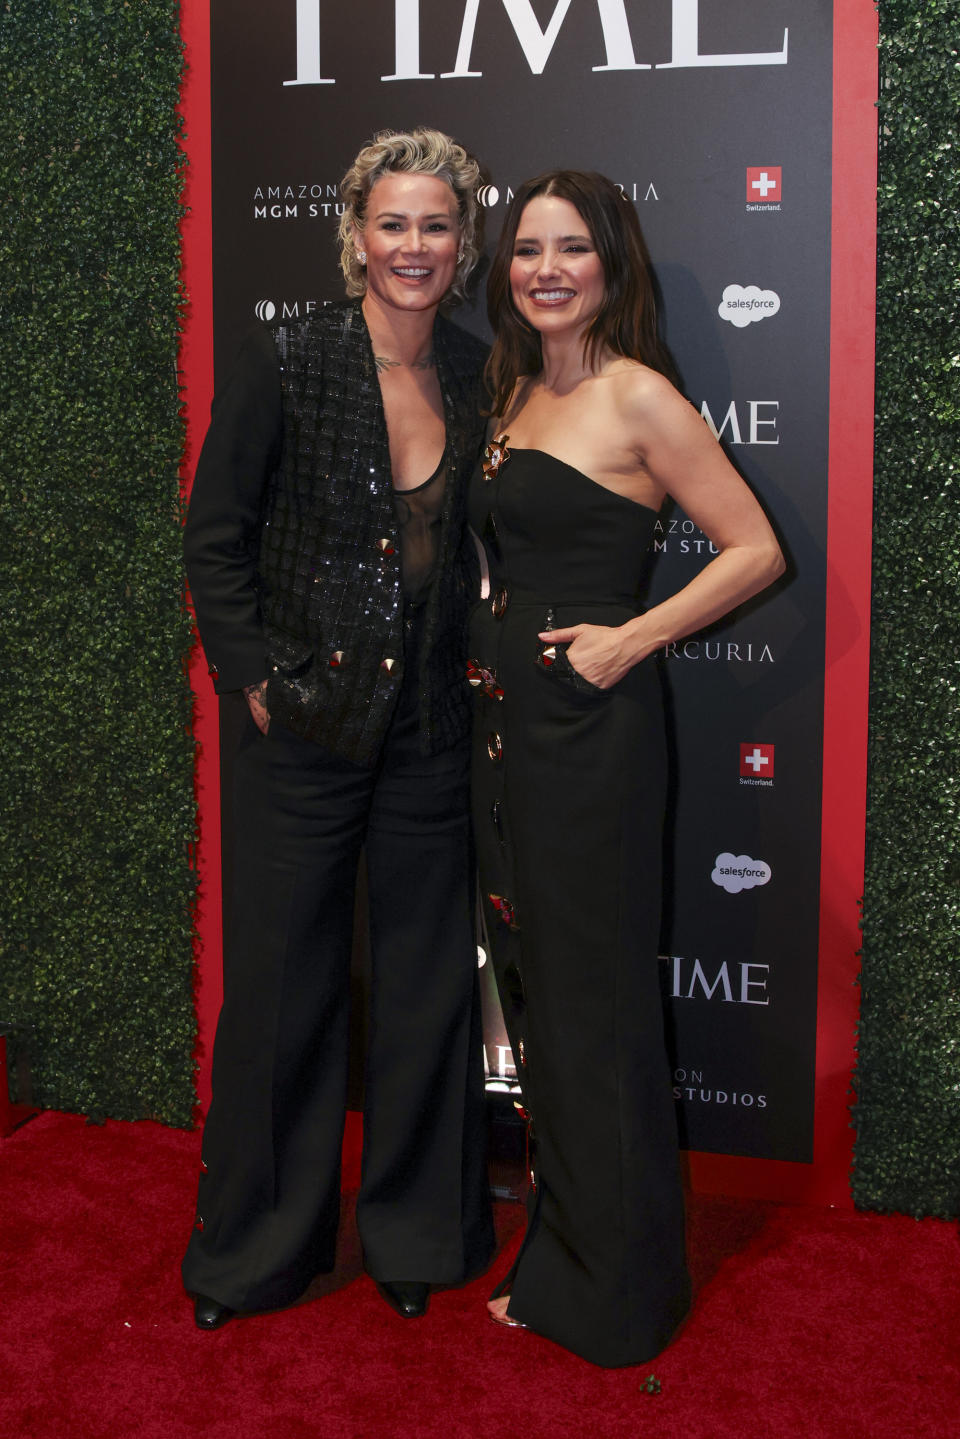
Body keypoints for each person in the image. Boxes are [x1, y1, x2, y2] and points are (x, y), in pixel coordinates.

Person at [469, 171, 784, 1367]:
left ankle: (623, 1287)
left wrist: (633, 637)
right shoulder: (512, 385)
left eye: (572, 249)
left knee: (594, 1009)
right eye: (527, 249)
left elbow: (755, 547)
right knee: (543, 1005)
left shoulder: (638, 393)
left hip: (592, 738)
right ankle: (563, 1254)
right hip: (505, 733)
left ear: (612, 261)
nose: (547, 268)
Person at [181, 128, 495, 1330]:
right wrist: (254, 679)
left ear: (463, 243)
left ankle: (419, 1234)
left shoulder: (476, 373)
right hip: (301, 728)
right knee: (280, 987)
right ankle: (256, 1251)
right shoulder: (291, 355)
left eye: (437, 225)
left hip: (426, 727)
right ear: (356, 234)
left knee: (425, 988)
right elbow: (217, 536)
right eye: (394, 223)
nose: (414, 247)